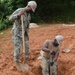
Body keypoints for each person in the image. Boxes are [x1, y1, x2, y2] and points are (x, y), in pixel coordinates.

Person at [9, 1, 37, 68]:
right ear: (28, 6)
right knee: (17, 48)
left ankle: (26, 61)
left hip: (24, 34)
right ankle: (17, 63)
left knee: (26, 47)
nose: (31, 11)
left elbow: (27, 26)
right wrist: (18, 15)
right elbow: (10, 19)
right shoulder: (19, 10)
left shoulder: (28, 15)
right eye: (31, 9)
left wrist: (27, 35)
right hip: (17, 33)